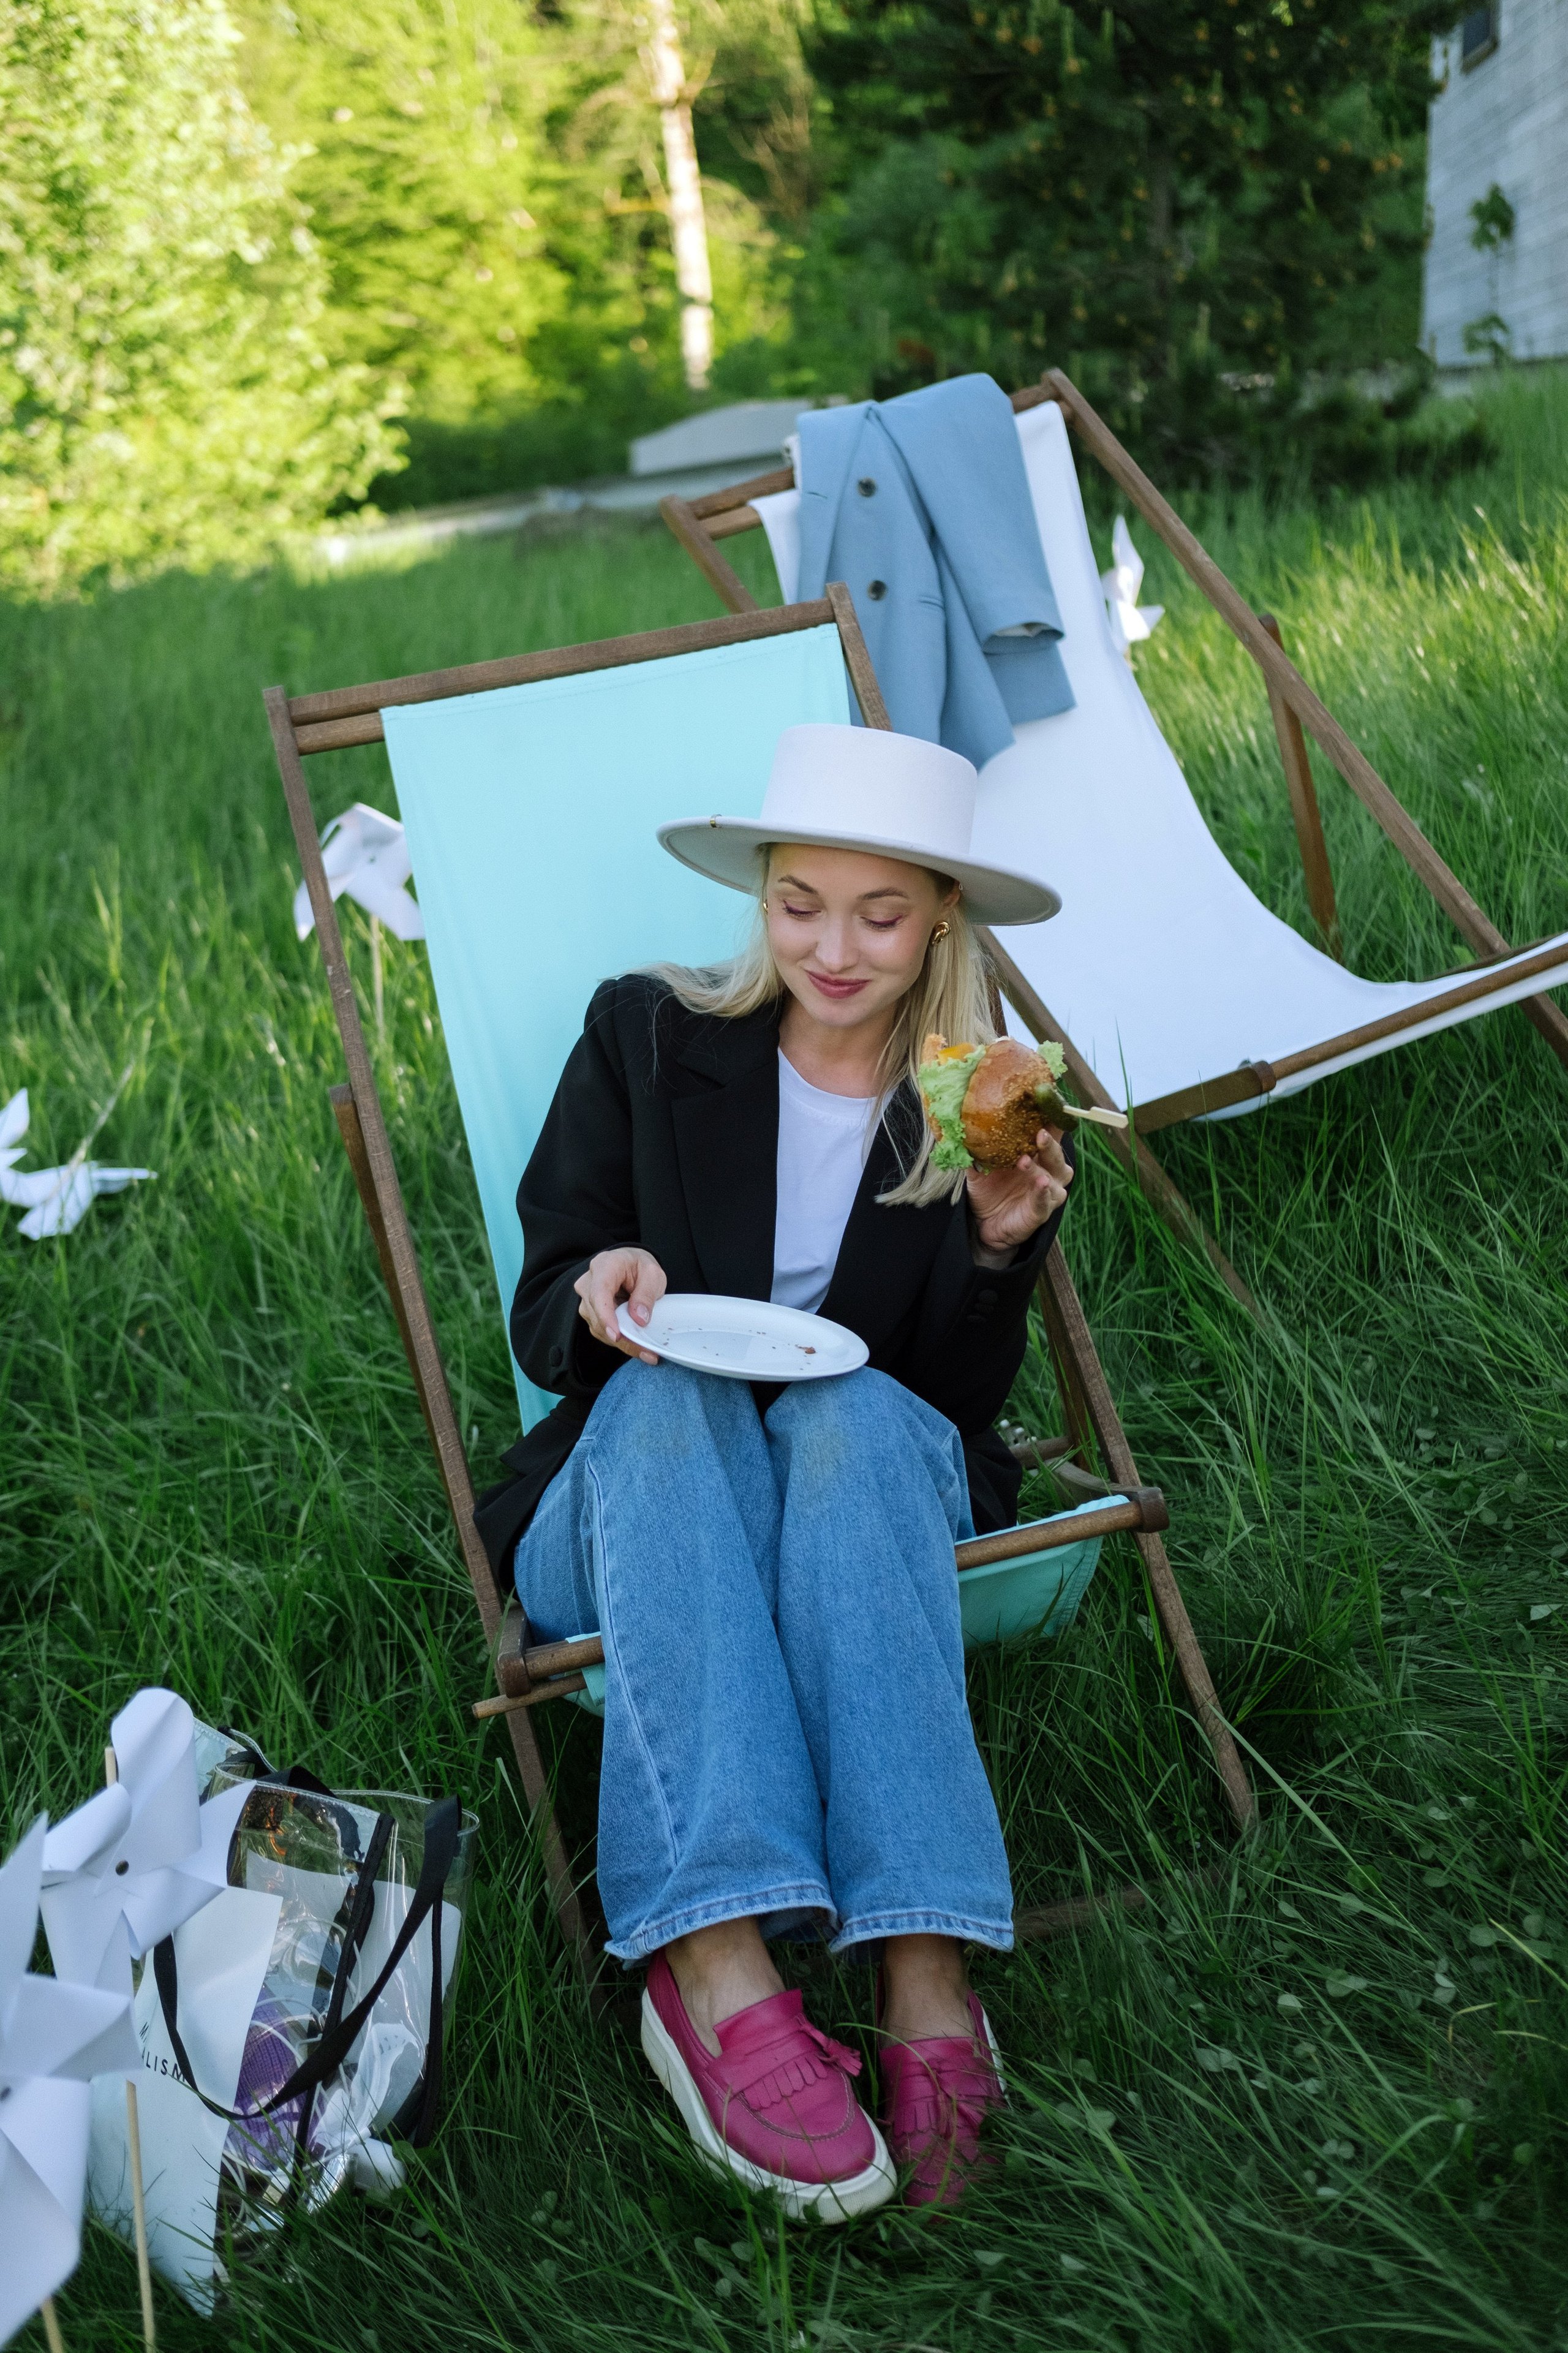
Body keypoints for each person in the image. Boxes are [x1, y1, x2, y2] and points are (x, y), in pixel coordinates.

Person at [484, 722, 1072, 2216]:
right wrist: (603, 1284)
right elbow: (549, 1296)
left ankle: (921, 1972)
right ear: (759, 892)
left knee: (859, 1415)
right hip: (626, 1495)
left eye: (878, 914)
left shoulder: (966, 1106)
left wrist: (998, 1249)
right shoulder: (644, 1035)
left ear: (938, 917)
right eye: (797, 901)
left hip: (854, 1488)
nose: (831, 946)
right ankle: (715, 1959)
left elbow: (944, 1404)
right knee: (677, 1404)